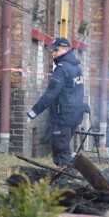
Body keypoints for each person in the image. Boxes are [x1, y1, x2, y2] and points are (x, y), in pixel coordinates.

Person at [27, 37, 85, 169]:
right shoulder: (76, 67)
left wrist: (33, 112)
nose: (53, 53)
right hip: (75, 116)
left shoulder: (62, 68)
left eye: (56, 50)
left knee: (61, 153)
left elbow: (50, 94)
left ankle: (63, 182)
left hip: (63, 117)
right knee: (64, 149)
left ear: (66, 49)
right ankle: (64, 178)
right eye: (53, 50)